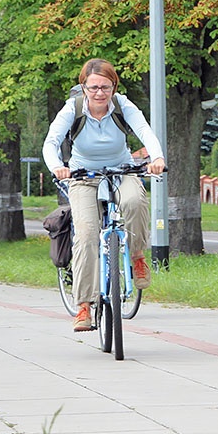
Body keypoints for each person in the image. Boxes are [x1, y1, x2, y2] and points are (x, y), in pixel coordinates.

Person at [43, 58, 166, 332]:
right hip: (82, 176)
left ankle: (137, 257)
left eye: (105, 87)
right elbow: (51, 142)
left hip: (121, 170)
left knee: (134, 201)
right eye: (93, 87)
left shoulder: (123, 106)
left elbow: (145, 131)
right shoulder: (72, 109)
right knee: (86, 234)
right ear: (83, 87)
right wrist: (57, 167)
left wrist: (156, 157)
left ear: (114, 86)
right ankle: (84, 306)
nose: (99, 93)